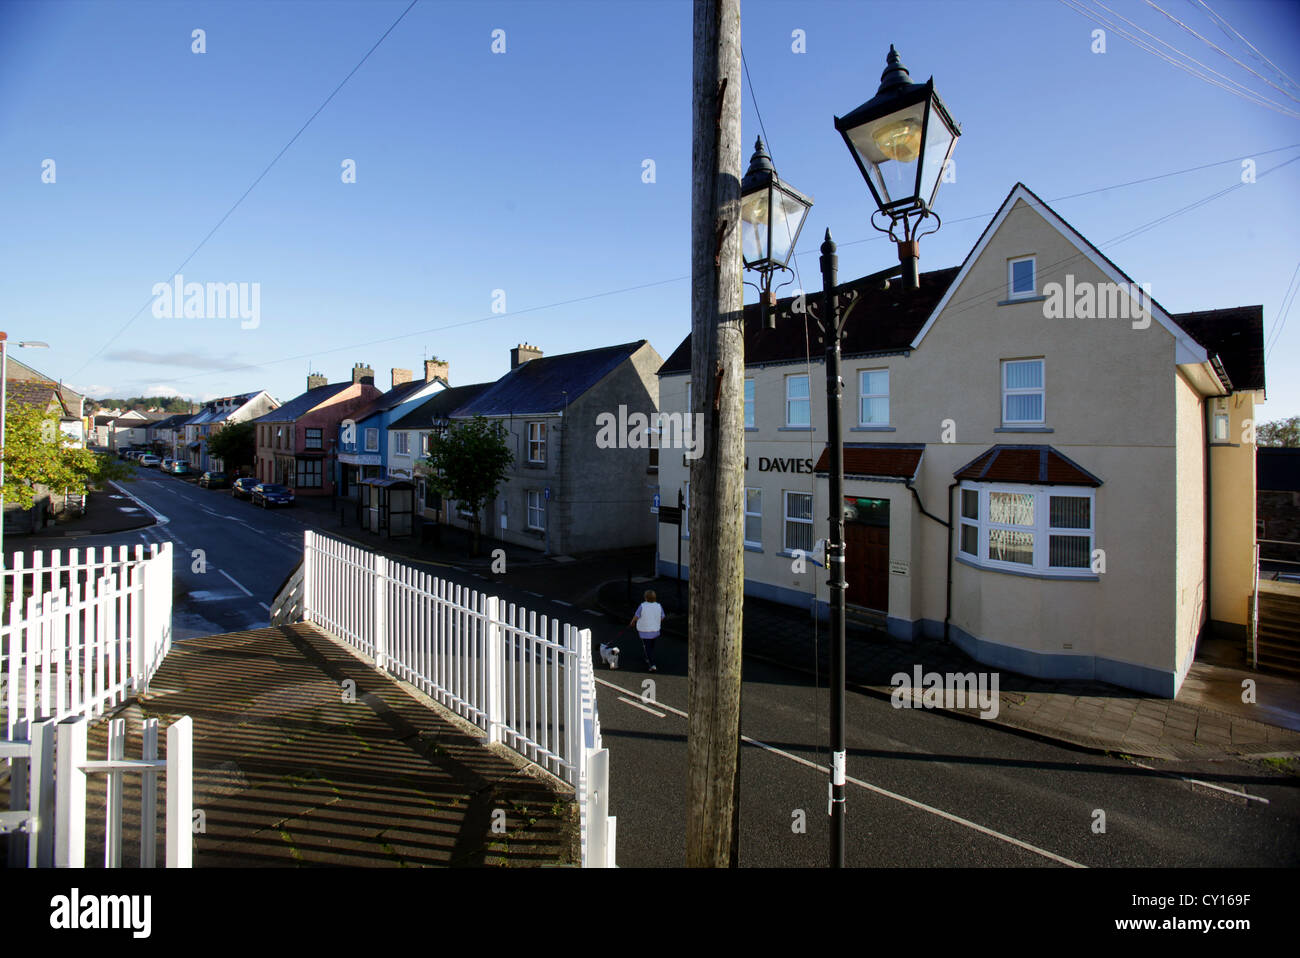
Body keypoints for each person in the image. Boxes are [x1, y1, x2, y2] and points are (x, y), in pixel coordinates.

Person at [630, 590, 666, 672]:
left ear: (645, 597)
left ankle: (652, 664)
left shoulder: (642, 606)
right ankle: (648, 657)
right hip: (655, 630)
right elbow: (663, 616)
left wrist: (632, 622)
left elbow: (636, 616)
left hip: (645, 630)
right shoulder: (658, 606)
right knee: (651, 646)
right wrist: (656, 621)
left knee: (647, 647)